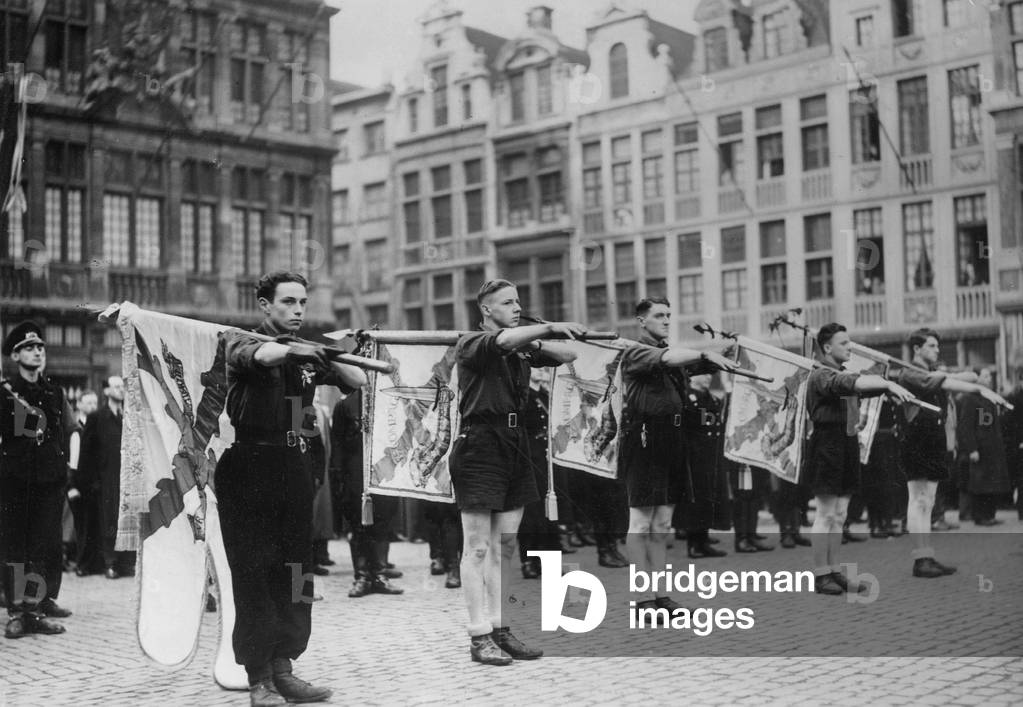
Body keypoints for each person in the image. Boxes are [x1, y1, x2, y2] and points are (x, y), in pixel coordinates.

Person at [216, 271, 367, 706]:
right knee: (255, 574)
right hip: (250, 466)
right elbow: (262, 357)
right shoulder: (239, 339)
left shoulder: (306, 354)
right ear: (265, 305)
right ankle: (259, 676)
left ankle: (285, 667)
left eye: (303, 302)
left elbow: (354, 383)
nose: (298, 310)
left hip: (294, 467)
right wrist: (295, 349)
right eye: (288, 302)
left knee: (298, 572)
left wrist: (324, 354)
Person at [449, 279, 583, 666]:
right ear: (486, 310)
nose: (515, 307)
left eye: (518, 302)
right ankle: (478, 635)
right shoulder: (473, 343)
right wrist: (547, 327)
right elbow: (504, 342)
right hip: (480, 444)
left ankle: (500, 627)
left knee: (505, 545)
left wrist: (538, 341)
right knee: (476, 547)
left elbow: (568, 354)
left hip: (515, 443)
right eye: (506, 303)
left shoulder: (522, 348)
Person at [618, 297, 733, 613]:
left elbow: (696, 363)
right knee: (641, 523)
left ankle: (660, 597)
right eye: (659, 315)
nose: (667, 320)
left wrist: (726, 353)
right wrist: (704, 353)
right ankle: (643, 600)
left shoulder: (669, 353)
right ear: (642, 320)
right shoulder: (636, 350)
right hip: (645, 440)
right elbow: (670, 358)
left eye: (669, 314)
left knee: (663, 524)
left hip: (672, 439)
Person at [890, 329, 1011, 578]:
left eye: (937, 346)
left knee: (929, 500)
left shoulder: (933, 372)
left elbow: (963, 377)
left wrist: (967, 380)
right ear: (917, 349)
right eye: (931, 346)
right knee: (918, 499)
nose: (936, 350)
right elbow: (947, 381)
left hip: (934, 437)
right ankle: (920, 557)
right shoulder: (909, 372)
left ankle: (927, 555)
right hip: (915, 438)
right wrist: (975, 387)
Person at [803, 323, 914, 595]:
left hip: (847, 442)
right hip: (827, 445)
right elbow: (847, 384)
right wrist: (886, 383)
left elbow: (857, 386)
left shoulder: (839, 373)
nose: (850, 347)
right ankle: (820, 575)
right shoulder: (820, 375)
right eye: (844, 343)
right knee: (826, 513)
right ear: (827, 348)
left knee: (840, 514)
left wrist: (887, 387)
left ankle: (834, 571)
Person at [1, 321, 75, 638]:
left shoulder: (53, 392)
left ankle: (36, 610)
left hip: (48, 481)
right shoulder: (6, 394)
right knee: (16, 548)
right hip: (16, 481)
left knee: (41, 548)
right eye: (30, 348)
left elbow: (58, 434)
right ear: (16, 355)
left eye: (41, 347)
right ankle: (18, 612)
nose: (38, 352)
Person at [329, 388, 404, 598]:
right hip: (355, 472)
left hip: (384, 471)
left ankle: (379, 575)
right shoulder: (345, 405)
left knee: (382, 523)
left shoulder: (389, 400)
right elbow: (338, 444)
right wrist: (338, 477)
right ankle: (361, 576)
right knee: (358, 525)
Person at [78, 377, 135, 579]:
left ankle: (126, 563)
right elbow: (86, 452)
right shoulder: (97, 418)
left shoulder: (129, 416)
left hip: (126, 478)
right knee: (108, 521)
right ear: (106, 391)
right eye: (116, 387)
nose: (121, 390)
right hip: (105, 479)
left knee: (126, 520)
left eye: (122, 386)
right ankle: (109, 563)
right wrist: (88, 481)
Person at [676, 372, 729, 558]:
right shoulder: (686, 398)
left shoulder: (712, 399)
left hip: (710, 455)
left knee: (708, 498)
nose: (708, 377)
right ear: (691, 376)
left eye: (709, 374)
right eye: (703, 373)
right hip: (693, 456)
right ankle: (693, 544)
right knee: (695, 501)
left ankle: (703, 541)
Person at [517, 368, 561, 579]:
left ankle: (548, 560)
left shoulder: (544, 395)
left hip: (545, 461)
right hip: (529, 459)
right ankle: (528, 561)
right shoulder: (522, 396)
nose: (543, 370)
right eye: (538, 367)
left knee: (548, 513)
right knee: (530, 513)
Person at [957, 367, 1011, 526]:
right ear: (977, 378)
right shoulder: (971, 399)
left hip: (993, 449)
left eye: (989, 376)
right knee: (980, 484)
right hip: (980, 449)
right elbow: (966, 426)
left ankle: (990, 515)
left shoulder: (989, 397)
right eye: (985, 376)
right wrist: (972, 448)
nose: (989, 379)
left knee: (992, 483)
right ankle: (980, 516)